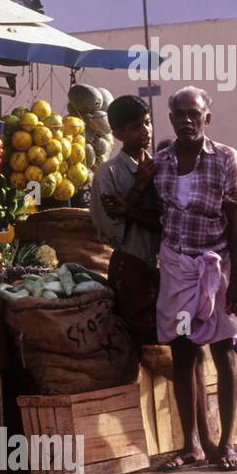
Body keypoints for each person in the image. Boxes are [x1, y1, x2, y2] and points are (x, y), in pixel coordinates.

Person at [154, 87, 237, 470]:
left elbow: (235, 218)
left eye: (194, 114)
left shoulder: (227, 158)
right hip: (177, 268)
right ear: (172, 118)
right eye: (180, 114)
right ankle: (191, 444)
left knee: (224, 352)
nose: (187, 120)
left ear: (207, 117)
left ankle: (226, 443)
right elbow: (157, 214)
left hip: (218, 266)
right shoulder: (161, 163)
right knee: (182, 352)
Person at [91, 95, 161, 344]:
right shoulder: (107, 173)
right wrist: (139, 187)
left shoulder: (159, 167)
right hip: (130, 270)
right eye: (136, 127)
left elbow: (168, 223)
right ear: (118, 134)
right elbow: (113, 230)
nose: (145, 132)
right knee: (136, 340)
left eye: (148, 122)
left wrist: (128, 207)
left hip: (164, 269)